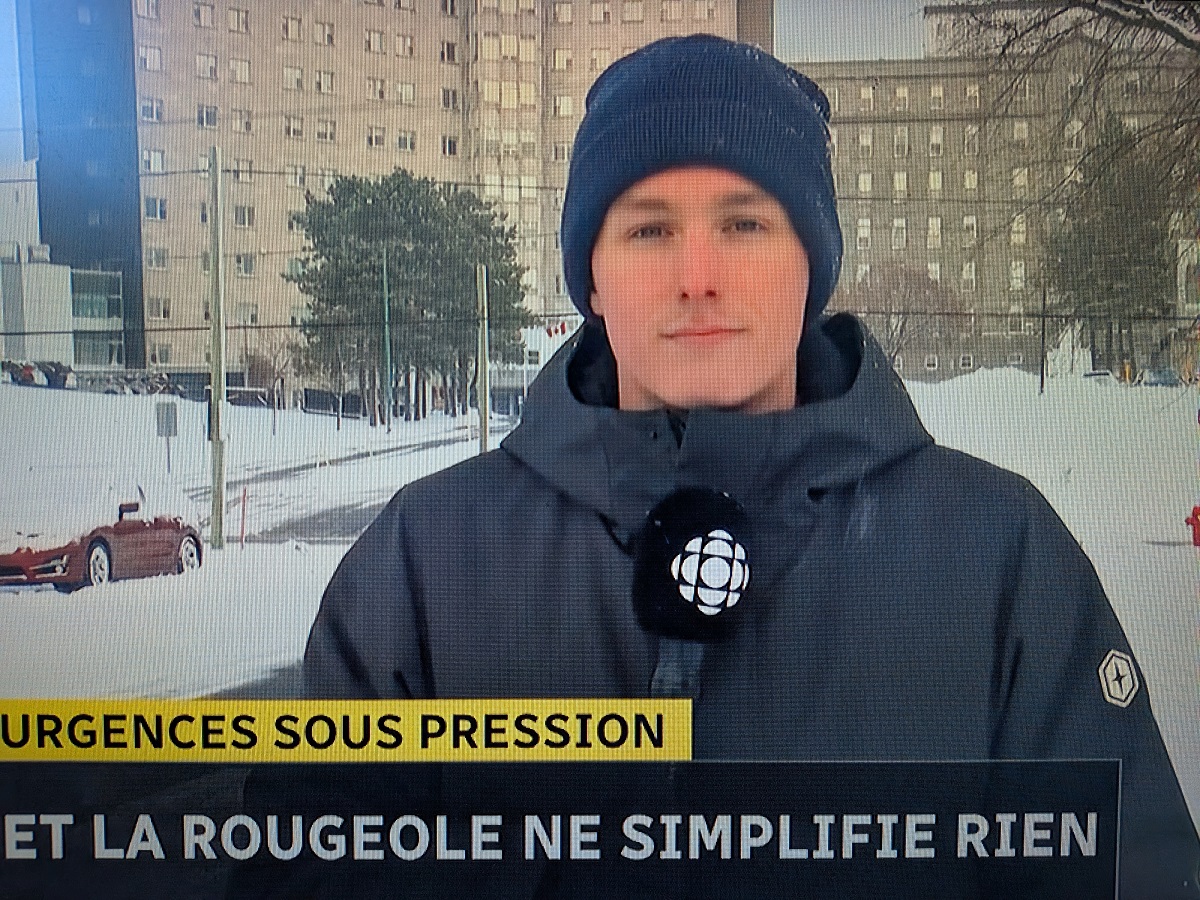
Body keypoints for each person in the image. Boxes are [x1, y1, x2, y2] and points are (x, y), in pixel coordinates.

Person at [303, 34, 1199, 895]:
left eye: (744, 224)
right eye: (649, 231)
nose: (699, 276)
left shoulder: (996, 554)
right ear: (593, 279)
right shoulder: (425, 564)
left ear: (811, 264)